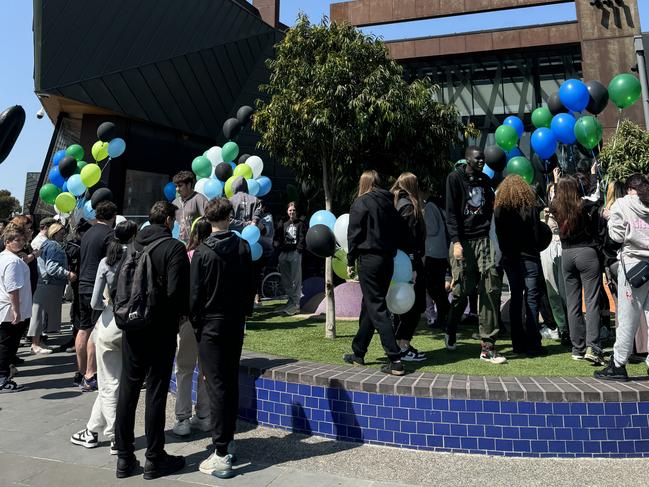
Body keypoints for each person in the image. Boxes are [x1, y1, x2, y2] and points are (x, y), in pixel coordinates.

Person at [114, 201, 189, 480]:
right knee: (156, 391)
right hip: (161, 329)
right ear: (169, 220)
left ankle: (124, 458)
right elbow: (177, 292)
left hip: (132, 326)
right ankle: (154, 458)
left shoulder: (133, 245)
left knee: (129, 388)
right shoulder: (174, 248)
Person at [190, 198, 255, 479]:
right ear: (229, 217)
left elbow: (194, 296)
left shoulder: (203, 252)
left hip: (211, 326)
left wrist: (197, 324)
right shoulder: (242, 247)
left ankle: (220, 452)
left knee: (216, 385)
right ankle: (227, 439)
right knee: (229, 382)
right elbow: (250, 284)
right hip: (234, 322)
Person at [70, 220, 137, 453]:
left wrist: (106, 306)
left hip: (110, 321)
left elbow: (94, 301)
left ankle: (113, 435)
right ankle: (91, 429)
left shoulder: (107, 261)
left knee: (109, 382)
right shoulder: (140, 257)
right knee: (116, 381)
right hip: (133, 324)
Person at [445, 146, 505, 364]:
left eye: (483, 159)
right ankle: (451, 328)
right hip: (463, 241)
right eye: (478, 159)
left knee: (491, 286)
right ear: (468, 158)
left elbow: (491, 205)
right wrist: (456, 242)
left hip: (483, 238)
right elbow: (451, 213)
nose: (482, 162)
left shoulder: (484, 180)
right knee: (462, 290)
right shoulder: (454, 178)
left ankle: (488, 346)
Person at [343, 170, 407, 376]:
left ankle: (395, 358)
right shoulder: (390, 203)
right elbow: (400, 231)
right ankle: (358, 352)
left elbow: (354, 234)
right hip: (387, 260)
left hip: (369, 259)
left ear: (364, 183)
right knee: (370, 305)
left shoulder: (361, 203)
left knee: (377, 307)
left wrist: (350, 260)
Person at [595, 177, 649, 380]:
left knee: (627, 317)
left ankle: (618, 364)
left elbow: (616, 236)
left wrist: (610, 221)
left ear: (630, 189)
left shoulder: (622, 204)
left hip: (634, 266)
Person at [550, 175, 605, 364]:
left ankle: (577, 348)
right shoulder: (583, 204)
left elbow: (554, 198)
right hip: (587, 253)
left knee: (572, 303)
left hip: (567, 254)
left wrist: (556, 182)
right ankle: (594, 346)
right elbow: (596, 197)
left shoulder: (555, 207)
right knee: (591, 301)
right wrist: (592, 175)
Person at [494, 175, 550, 357]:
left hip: (510, 258)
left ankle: (517, 343)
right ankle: (534, 343)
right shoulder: (530, 207)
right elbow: (536, 233)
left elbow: (499, 236)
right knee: (532, 299)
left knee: (516, 298)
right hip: (529, 257)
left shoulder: (500, 209)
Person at [172, 218, 212, 437]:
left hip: (188, 318)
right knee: (205, 371)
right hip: (209, 320)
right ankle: (204, 415)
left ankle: (182, 418)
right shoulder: (216, 255)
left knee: (184, 368)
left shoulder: (187, 256)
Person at [77, 201, 117, 391]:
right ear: (113, 216)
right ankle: (91, 374)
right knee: (95, 331)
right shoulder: (109, 234)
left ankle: (81, 371)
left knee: (83, 329)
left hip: (82, 285)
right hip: (96, 287)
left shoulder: (87, 233)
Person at [390, 173, 427, 361]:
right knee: (415, 305)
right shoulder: (409, 208)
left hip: (397, 262)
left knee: (401, 306)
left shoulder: (395, 203)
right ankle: (403, 344)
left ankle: (401, 344)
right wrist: (413, 266)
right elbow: (410, 240)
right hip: (408, 262)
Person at [27, 223, 76, 354]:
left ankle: (38, 343)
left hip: (46, 283)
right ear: (54, 233)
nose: (63, 236)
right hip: (48, 284)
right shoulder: (54, 245)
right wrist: (68, 274)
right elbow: (52, 268)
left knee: (41, 315)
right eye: (61, 234)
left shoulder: (48, 244)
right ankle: (35, 344)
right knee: (39, 315)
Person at [0, 224, 32, 392]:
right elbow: (12, 288)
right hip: (10, 311)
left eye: (21, 240)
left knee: (6, 344)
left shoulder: (6, 257)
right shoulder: (12, 261)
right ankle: (2, 378)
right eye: (15, 240)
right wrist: (17, 311)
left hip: (6, 309)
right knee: (7, 345)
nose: (19, 243)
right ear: (7, 241)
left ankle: (4, 375)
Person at [422, 193, 449, 330]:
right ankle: (445, 315)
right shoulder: (439, 207)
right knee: (437, 288)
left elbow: (431, 229)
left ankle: (445, 314)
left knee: (433, 288)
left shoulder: (430, 207)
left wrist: (421, 227)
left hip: (433, 252)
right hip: (441, 252)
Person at [274, 202, 306, 316]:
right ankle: (291, 300)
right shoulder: (284, 223)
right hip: (284, 253)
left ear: (296, 212)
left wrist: (298, 250)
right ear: (287, 211)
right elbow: (278, 236)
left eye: (294, 210)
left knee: (296, 279)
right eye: (290, 210)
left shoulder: (300, 224)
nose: (292, 212)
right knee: (286, 279)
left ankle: (296, 304)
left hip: (295, 253)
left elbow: (302, 238)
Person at [172, 171, 208, 242]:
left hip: (196, 244)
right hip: (178, 244)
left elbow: (207, 221)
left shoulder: (199, 199)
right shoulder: (175, 202)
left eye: (180, 186)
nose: (177, 189)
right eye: (176, 186)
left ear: (188, 185)